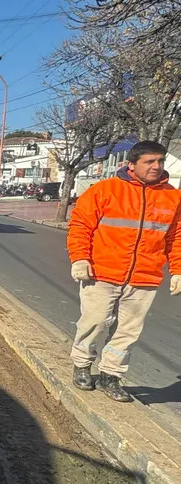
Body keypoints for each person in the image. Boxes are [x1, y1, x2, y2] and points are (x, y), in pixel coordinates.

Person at [67, 140, 181, 403]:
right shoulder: (106, 189)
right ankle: (82, 364)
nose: (156, 166)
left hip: (145, 276)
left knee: (128, 330)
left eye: (160, 161)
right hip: (101, 271)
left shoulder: (172, 197)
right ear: (132, 164)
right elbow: (81, 225)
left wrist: (177, 270)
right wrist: (80, 258)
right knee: (94, 322)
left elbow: (176, 236)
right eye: (149, 161)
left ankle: (111, 375)